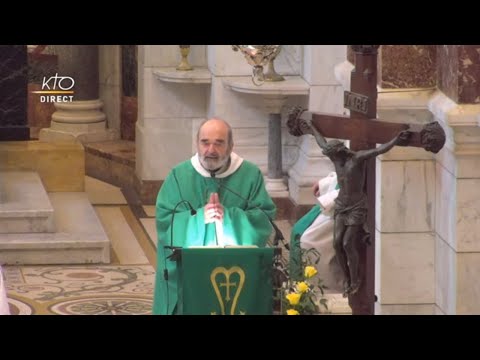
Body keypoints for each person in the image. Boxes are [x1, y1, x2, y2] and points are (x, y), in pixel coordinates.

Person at [152, 117, 276, 315]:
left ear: (231, 146)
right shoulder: (179, 176)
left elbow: (264, 218)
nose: (211, 150)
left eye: (219, 143)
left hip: (237, 268)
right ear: (197, 144)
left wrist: (229, 217)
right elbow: (165, 221)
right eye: (205, 142)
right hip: (191, 269)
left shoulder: (250, 175)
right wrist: (198, 220)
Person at [302, 117, 412, 297]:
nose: (332, 158)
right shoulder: (336, 159)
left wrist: (396, 140)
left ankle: (355, 279)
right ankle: (346, 278)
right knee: (337, 243)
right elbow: (321, 142)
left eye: (333, 155)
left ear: (340, 151)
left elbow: (379, 150)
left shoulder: (357, 159)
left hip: (356, 207)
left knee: (347, 243)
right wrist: (312, 126)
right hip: (341, 205)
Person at [289, 172, 343, 293]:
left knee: (308, 241)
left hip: (347, 208)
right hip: (336, 204)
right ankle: (301, 289)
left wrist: (328, 199)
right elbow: (343, 172)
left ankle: (322, 290)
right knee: (298, 230)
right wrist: (325, 184)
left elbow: (359, 183)